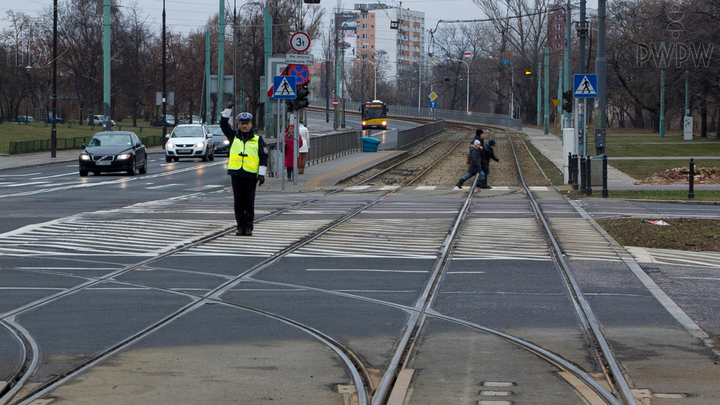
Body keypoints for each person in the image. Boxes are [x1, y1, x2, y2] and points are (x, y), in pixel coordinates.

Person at [220, 104, 268, 236]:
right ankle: (240, 226)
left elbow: (263, 156)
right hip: (236, 174)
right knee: (238, 202)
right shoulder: (233, 136)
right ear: (239, 124)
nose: (244, 126)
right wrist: (228, 109)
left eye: (247, 123)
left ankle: (248, 227)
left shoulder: (258, 139)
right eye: (242, 123)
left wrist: (262, 174)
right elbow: (223, 125)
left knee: (249, 202)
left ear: (251, 124)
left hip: (250, 175)